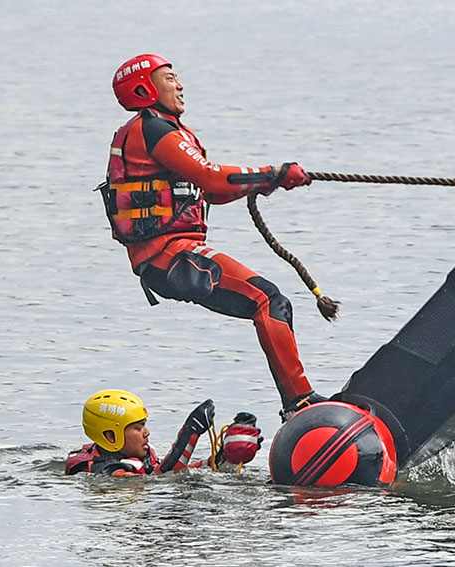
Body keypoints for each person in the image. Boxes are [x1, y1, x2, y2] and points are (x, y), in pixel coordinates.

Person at [100, 54, 324, 421]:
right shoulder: (152, 131)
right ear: (145, 88)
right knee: (269, 301)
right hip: (168, 256)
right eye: (170, 77)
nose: (180, 85)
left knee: (268, 302)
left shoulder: (166, 131)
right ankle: (301, 405)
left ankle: (299, 406)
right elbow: (214, 179)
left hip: (171, 257)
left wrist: (269, 183)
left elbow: (214, 193)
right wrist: (274, 172)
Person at [65, 389, 262, 476]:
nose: (146, 433)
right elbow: (161, 480)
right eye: (138, 427)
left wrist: (224, 458)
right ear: (110, 436)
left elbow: (180, 470)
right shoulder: (99, 469)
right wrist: (190, 433)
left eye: (144, 425)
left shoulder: (141, 455)